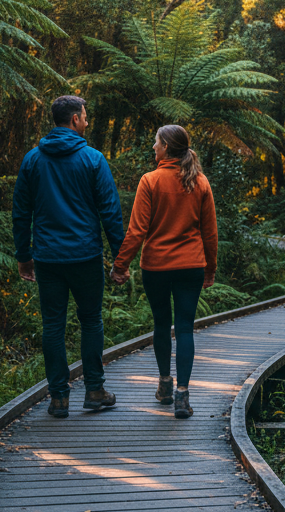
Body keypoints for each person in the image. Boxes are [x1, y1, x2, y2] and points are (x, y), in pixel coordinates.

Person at [13, 95, 124, 419]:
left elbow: (21, 212)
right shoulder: (93, 159)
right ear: (74, 119)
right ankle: (94, 390)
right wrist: (120, 258)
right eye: (85, 117)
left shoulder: (33, 160)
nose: (87, 122)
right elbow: (110, 212)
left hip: (47, 257)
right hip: (86, 255)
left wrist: (24, 256)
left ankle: (59, 397)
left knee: (53, 326)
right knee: (91, 321)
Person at [110, 125, 218, 419]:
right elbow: (210, 233)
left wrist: (120, 266)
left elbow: (136, 230)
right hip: (192, 266)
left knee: (161, 325)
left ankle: (165, 385)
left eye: (155, 143)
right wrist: (210, 269)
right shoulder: (200, 182)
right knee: (184, 328)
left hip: (156, 266)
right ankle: (183, 395)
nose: (153, 148)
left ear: (167, 147)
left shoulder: (151, 181)